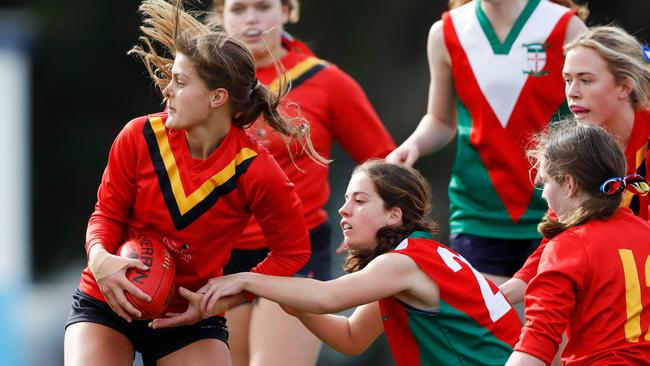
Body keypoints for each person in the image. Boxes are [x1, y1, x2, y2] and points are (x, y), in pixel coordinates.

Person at [63, 0, 324, 364]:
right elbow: (106, 213)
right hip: (109, 297)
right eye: (171, 78)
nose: (167, 90)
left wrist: (233, 291)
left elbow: (293, 252)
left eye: (180, 82)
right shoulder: (138, 135)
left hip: (189, 316)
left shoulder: (256, 171)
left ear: (218, 98)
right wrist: (101, 259)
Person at [158, 160, 524, 366]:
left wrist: (245, 280)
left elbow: (326, 297)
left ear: (394, 215)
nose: (343, 210)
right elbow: (351, 338)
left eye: (360, 201)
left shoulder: (403, 263)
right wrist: (296, 306)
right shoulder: (417, 261)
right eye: (346, 199)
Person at [213, 1, 396, 365]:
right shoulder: (206, 82)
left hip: (295, 250)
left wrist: (368, 224)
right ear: (221, 15)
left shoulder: (325, 81)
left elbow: (385, 166)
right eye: (238, 9)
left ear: (287, 10)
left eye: (263, 6)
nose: (251, 18)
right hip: (218, 252)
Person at [386, 0, 587, 286]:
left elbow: (591, 115)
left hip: (556, 207)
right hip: (476, 212)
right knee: (483, 326)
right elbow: (441, 119)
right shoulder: (446, 32)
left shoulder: (566, 26)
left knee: (554, 326)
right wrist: (413, 145)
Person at [500, 25, 650, 305]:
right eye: (567, 80)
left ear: (624, 87)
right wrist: (504, 293)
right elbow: (561, 231)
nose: (572, 92)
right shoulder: (578, 149)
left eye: (585, 80)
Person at [505, 123, 650, 365]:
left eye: (546, 182)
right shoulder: (645, 231)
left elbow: (536, 344)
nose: (542, 194)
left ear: (570, 184)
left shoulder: (569, 245)